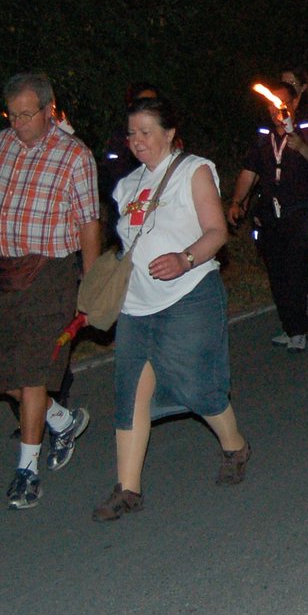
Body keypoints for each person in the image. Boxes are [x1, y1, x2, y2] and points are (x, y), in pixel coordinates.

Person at [92, 97, 249, 521]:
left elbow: (216, 232)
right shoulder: (126, 186)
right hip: (137, 306)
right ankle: (128, 489)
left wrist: (185, 259)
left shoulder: (192, 170)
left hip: (189, 296)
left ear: (168, 134)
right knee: (130, 396)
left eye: (146, 132)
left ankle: (234, 445)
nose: (137, 141)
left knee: (198, 388)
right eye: (131, 134)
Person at [0, 72, 99, 510]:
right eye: (12, 115)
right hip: (2, 273)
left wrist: (91, 289)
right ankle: (62, 419)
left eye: (26, 114)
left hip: (50, 275)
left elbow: (89, 224)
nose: (18, 123)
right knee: (4, 381)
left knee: (33, 374)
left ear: (49, 109)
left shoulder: (75, 156)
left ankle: (27, 471)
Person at [228, 78, 308, 350]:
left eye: (282, 103)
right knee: (276, 273)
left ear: (295, 102)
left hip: (300, 212)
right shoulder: (263, 137)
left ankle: (298, 329)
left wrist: (302, 147)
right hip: (270, 215)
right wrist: (237, 201)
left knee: (295, 271)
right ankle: (289, 325)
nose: (276, 109)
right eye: (271, 104)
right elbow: (249, 172)